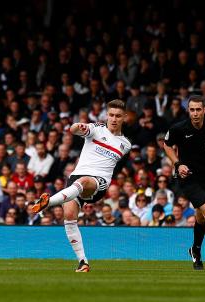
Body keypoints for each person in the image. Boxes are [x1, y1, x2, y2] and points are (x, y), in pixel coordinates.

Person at [31, 100, 131, 272]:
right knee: (69, 217)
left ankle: (48, 202)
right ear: (107, 115)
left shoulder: (126, 145)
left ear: (124, 118)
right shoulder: (95, 129)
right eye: (111, 115)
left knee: (84, 182)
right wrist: (78, 126)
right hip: (76, 179)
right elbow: (74, 130)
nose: (114, 119)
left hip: (98, 183)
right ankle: (83, 262)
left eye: (118, 116)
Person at [163, 95, 205, 270]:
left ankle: (195, 250)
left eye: (198, 109)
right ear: (188, 110)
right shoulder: (179, 128)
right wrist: (178, 164)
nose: (195, 113)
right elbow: (166, 145)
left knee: (201, 218)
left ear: (204, 110)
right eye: (192, 109)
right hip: (188, 178)